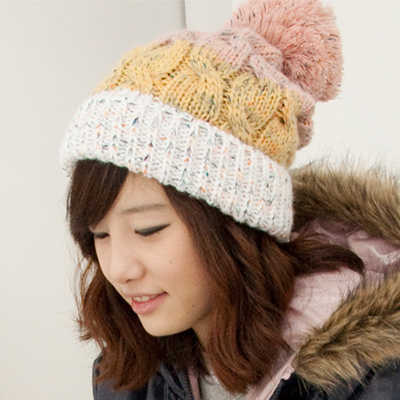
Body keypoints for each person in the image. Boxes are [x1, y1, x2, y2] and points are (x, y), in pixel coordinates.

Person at [60, 0, 400, 399]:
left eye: (148, 230)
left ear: (234, 222)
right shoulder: (130, 369)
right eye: (100, 235)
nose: (119, 269)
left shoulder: (372, 378)